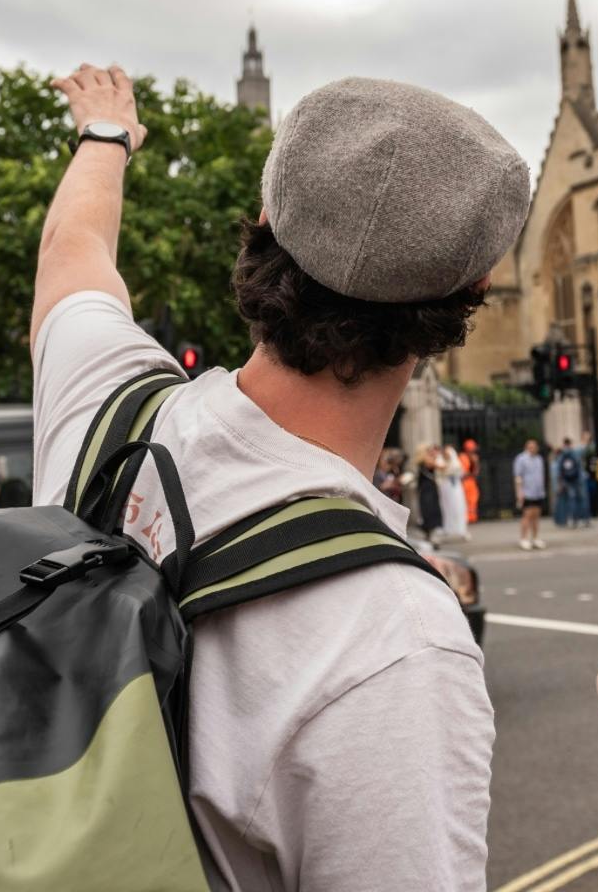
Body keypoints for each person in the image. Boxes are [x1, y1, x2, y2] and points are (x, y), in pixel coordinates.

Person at [30, 66, 521, 888]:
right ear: (472, 291)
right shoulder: (393, 636)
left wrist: (105, 134)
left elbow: (70, 256)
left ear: (263, 223)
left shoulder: (109, 409)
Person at [513, 438, 548, 551]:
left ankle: (536, 538)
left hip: (538, 491)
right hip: (527, 491)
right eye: (530, 447)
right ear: (526, 447)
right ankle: (523, 538)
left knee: (536, 515)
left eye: (534, 446)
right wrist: (519, 492)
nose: (533, 449)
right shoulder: (521, 459)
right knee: (527, 515)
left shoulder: (539, 459)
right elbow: (518, 477)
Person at [438, 442, 471, 542]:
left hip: (455, 486)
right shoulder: (440, 460)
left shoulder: (456, 462)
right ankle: (448, 528)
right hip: (446, 486)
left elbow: (460, 472)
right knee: (446, 506)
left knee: (459, 506)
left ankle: (461, 529)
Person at [413, 443, 446, 542]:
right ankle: (430, 532)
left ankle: (429, 532)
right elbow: (440, 466)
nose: (431, 451)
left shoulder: (424, 460)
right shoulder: (425, 460)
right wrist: (437, 456)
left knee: (430, 509)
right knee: (429, 510)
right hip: (427, 489)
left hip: (429, 488)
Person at [553, 436, 587, 529]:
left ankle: (572, 519)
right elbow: (583, 448)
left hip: (567, 481)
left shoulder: (562, 455)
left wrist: (560, 483)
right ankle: (583, 519)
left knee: (571, 500)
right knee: (581, 499)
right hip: (578, 479)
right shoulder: (576, 452)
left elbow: (558, 470)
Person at [461, 438, 481, 525]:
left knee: (473, 500)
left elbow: (475, 473)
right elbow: (463, 473)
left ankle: (472, 518)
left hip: (471, 482)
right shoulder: (462, 457)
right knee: (466, 501)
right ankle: (466, 519)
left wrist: (476, 463)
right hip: (465, 482)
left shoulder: (474, 458)